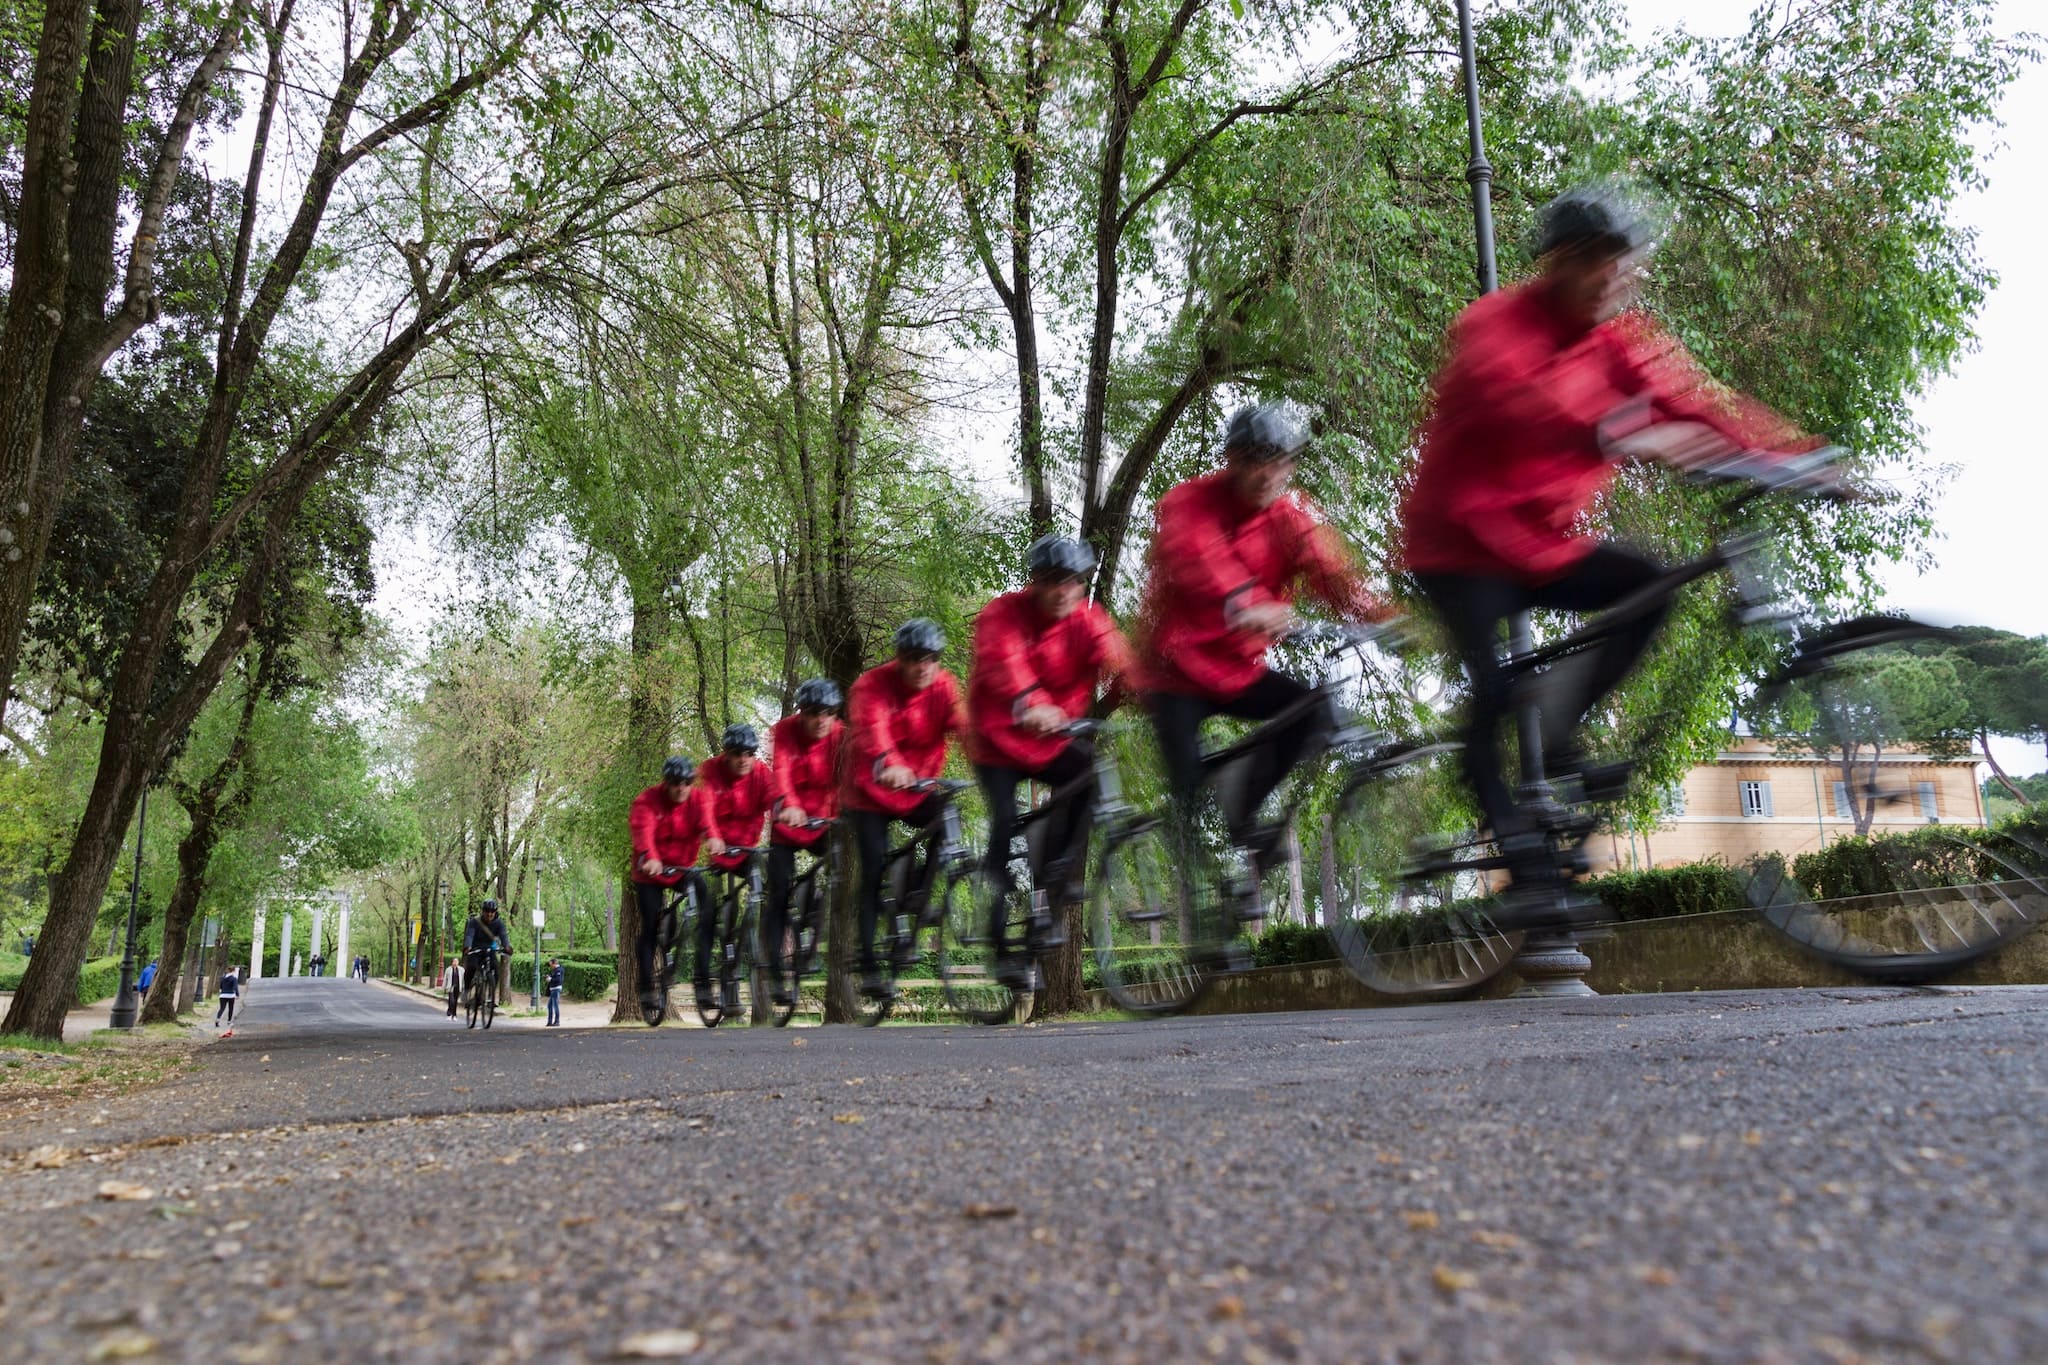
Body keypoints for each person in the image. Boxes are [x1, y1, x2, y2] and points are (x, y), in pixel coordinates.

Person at [1401, 182, 1823, 917]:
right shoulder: (1494, 324)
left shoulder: (1621, 343)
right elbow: (1512, 400)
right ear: (1558, 261)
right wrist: (1623, 429)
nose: (1614, 278)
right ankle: (1523, 870)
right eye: (1598, 261)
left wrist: (1793, 459)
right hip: (1458, 543)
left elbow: (1695, 405)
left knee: (1648, 586)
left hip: (1540, 543)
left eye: (1624, 263)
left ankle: (1561, 726)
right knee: (1491, 693)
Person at [1135, 401, 1391, 942]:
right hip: (1173, 670)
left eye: (1279, 461)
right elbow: (1195, 557)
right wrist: (1246, 602)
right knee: (1187, 797)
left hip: (1235, 668)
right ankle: (1202, 905)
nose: (1267, 473)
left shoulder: (1289, 518)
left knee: (1313, 711)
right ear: (1232, 459)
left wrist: (1377, 615)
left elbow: (1328, 570)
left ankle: (1246, 820)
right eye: (1254, 459)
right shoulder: (1188, 502)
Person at [968, 535, 1134, 987]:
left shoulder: (1088, 620)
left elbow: (1117, 654)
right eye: (1053, 581)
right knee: (1005, 822)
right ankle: (999, 941)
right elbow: (1004, 661)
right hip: (996, 741)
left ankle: (1055, 876)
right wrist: (1029, 701)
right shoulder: (1002, 614)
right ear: (1035, 582)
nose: (1064, 591)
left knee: (1089, 775)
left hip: (1052, 738)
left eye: (1073, 581)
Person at [844, 618, 969, 999]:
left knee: (948, 818)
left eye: (931, 658)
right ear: (900, 658)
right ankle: (868, 965)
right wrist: (888, 762)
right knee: (874, 869)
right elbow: (873, 729)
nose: (923, 666)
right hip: (869, 792)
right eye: (914, 658)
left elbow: (964, 724)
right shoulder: (871, 685)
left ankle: (916, 897)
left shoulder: (944, 686)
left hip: (917, 788)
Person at [694, 723, 801, 1013]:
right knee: (708, 912)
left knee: (777, 889)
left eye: (749, 753)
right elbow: (704, 808)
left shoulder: (760, 774)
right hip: (714, 852)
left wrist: (788, 810)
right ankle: (702, 982)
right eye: (737, 753)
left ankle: (775, 968)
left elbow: (775, 798)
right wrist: (712, 836)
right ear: (726, 754)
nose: (744, 759)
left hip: (747, 851)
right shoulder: (709, 771)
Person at [761, 679, 844, 1008]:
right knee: (779, 893)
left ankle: (813, 924)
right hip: (788, 824)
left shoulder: (842, 735)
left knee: (843, 872)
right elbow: (780, 771)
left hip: (824, 822)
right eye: (813, 713)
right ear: (801, 713)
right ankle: (776, 970)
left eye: (828, 712)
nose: (821, 719)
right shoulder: (783, 731)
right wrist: (790, 804)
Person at [628, 756, 724, 1017]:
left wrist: (713, 839)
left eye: (687, 782)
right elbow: (643, 831)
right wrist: (649, 856)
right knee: (650, 924)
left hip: (682, 869)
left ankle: (702, 981)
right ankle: (646, 986)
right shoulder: (647, 801)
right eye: (676, 783)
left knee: (708, 910)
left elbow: (707, 823)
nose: (682, 788)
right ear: (666, 783)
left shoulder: (698, 799)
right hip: (650, 872)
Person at [461, 901, 512, 1008]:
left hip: (489, 950)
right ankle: (466, 989)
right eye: (487, 911)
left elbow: (503, 936)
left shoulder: (499, 924)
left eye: (492, 911)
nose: (489, 914)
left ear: (495, 912)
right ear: (482, 911)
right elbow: (469, 935)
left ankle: (490, 997)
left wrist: (507, 946)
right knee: (471, 967)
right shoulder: (474, 922)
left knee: (496, 970)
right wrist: (467, 946)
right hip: (475, 949)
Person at [545, 959, 564, 1026]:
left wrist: (550, 979)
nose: (551, 966)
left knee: (555, 1005)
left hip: (556, 989)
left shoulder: (559, 970)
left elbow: (559, 980)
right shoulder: (555, 970)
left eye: (551, 965)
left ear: (554, 963)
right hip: (553, 989)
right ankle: (550, 1021)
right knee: (550, 1005)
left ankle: (557, 1021)